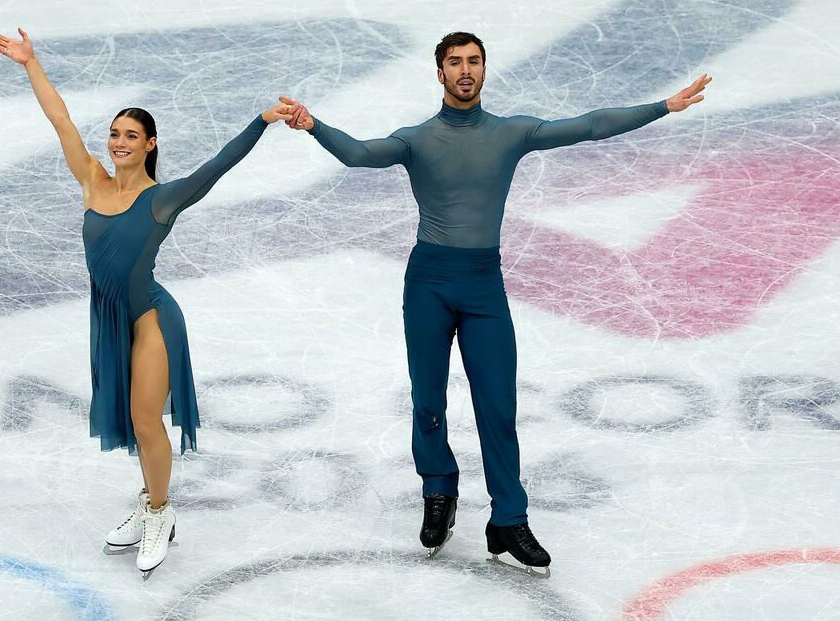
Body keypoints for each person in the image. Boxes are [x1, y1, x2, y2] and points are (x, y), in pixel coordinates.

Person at [283, 32, 710, 577]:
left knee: (499, 409)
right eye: (455, 63)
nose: (465, 70)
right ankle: (439, 490)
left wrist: (664, 107)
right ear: (439, 74)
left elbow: (590, 125)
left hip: (484, 286)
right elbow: (359, 154)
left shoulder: (512, 133)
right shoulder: (416, 140)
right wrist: (313, 124)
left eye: (474, 62)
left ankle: (508, 520)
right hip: (429, 284)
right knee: (428, 400)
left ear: (485, 70)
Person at [0, 27, 299, 578]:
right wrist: (30, 63)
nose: (119, 142)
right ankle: (151, 497)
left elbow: (218, 165)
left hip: (153, 319)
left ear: (150, 143)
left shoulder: (163, 198)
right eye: (114, 134)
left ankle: (160, 512)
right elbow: (58, 118)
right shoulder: (91, 180)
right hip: (109, 321)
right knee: (135, 422)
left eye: (131, 135)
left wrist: (262, 121)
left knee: (145, 420)